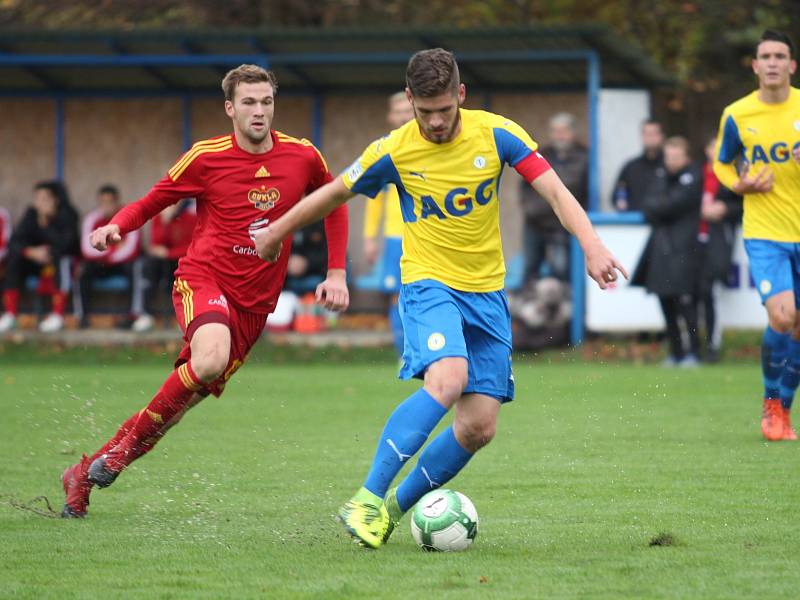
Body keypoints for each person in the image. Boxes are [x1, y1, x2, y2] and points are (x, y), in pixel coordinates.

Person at [254, 48, 626, 549]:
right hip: (429, 283)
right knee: (450, 377)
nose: (433, 122)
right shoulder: (394, 149)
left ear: (461, 96)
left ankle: (387, 514)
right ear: (410, 100)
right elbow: (334, 193)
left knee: (478, 427)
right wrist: (277, 230)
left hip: (488, 294)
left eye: (443, 110)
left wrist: (592, 244)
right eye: (423, 111)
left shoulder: (497, 134)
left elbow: (556, 193)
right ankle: (367, 495)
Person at [60, 64, 350, 518]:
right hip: (204, 279)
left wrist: (336, 273)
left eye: (267, 101)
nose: (259, 111)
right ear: (230, 108)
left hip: (255, 305)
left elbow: (335, 203)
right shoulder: (205, 156)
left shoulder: (303, 156)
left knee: (175, 412)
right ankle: (117, 457)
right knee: (210, 358)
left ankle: (82, 473)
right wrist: (117, 225)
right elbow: (154, 200)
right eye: (249, 102)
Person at [713, 29, 800, 441]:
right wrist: (739, 186)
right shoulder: (737, 114)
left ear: (791, 65)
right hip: (765, 231)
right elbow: (723, 163)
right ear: (755, 65)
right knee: (782, 316)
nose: (772, 62)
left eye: (779, 56)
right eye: (764, 55)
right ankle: (770, 404)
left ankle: (783, 408)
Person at [631, 136, 703, 367]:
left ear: (686, 157)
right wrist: (661, 206)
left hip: (684, 250)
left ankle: (694, 352)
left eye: (675, 157)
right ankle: (676, 352)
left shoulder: (693, 177)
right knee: (665, 302)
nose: (670, 161)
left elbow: (674, 204)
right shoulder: (661, 176)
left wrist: (661, 206)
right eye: (668, 157)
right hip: (661, 250)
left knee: (686, 304)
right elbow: (648, 205)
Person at [362, 91, 415, 357]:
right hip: (395, 237)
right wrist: (370, 238)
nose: (405, 115)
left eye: (408, 110)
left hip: (425, 234)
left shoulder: (428, 145)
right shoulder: (383, 150)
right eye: (399, 111)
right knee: (397, 296)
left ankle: (426, 351)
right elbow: (374, 200)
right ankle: (403, 354)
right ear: (390, 116)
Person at [0, 180, 79, 333]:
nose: (40, 203)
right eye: (38, 198)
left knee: (62, 261)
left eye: (45, 198)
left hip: (59, 261)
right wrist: (30, 252)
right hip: (36, 262)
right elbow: (15, 241)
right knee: (14, 260)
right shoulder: (31, 214)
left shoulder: (68, 214)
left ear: (55, 199)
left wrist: (46, 224)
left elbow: (68, 245)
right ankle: (10, 315)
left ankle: (57, 316)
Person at [520, 112, 588, 282]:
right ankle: (529, 303)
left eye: (563, 131)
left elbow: (586, 192)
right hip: (536, 222)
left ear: (572, 132)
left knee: (563, 270)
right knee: (531, 268)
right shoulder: (540, 154)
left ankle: (567, 307)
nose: (560, 135)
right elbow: (525, 188)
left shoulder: (584, 158)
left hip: (564, 223)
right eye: (555, 131)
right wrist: (532, 210)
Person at [697, 136, 743, 363]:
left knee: (709, 290)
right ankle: (692, 346)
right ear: (706, 150)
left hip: (718, 241)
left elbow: (744, 205)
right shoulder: (696, 175)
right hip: (693, 241)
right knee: (693, 292)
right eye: (712, 147)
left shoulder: (732, 177)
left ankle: (712, 345)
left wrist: (724, 208)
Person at [77, 184, 145, 328]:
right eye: (103, 202)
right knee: (83, 270)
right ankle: (83, 317)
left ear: (117, 202)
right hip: (100, 264)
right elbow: (86, 249)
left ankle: (132, 315)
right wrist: (113, 250)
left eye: (110, 202)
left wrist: (104, 251)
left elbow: (131, 250)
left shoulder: (128, 216)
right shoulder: (92, 219)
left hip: (121, 264)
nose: (106, 206)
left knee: (134, 267)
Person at [132, 198, 197, 332]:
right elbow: (156, 244)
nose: (171, 204)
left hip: (182, 261)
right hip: (161, 263)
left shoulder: (190, 218)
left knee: (180, 273)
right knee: (149, 265)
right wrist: (165, 223)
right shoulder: (159, 218)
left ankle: (183, 317)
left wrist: (169, 253)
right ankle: (146, 314)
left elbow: (191, 246)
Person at [612, 119, 665, 212]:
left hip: (664, 223)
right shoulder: (631, 167)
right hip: (635, 223)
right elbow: (616, 195)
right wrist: (620, 202)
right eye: (647, 134)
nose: (650, 138)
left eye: (654, 134)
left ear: (661, 136)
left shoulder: (670, 167)